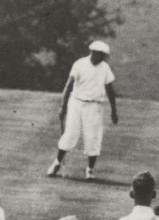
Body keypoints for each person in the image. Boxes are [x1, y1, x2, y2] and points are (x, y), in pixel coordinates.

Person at [48, 40, 119, 181]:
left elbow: (110, 90)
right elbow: (68, 86)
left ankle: (90, 171)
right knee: (70, 134)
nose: (103, 58)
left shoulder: (105, 68)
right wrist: (62, 106)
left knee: (93, 137)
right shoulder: (79, 64)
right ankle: (56, 163)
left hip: (95, 106)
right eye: (101, 55)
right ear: (93, 53)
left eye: (104, 55)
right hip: (76, 103)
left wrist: (113, 110)